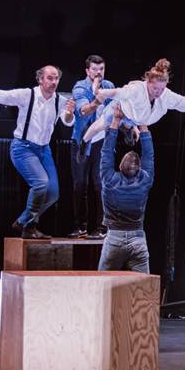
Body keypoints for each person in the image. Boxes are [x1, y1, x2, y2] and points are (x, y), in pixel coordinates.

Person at [0, 66, 75, 239]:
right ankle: (28, 224)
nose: (54, 82)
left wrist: (69, 113)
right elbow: (2, 96)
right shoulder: (28, 95)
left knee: (53, 193)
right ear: (40, 79)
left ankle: (24, 222)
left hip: (44, 150)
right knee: (41, 183)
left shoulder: (60, 100)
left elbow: (68, 121)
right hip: (23, 148)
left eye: (56, 78)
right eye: (50, 78)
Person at [81, 58, 185, 146]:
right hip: (121, 109)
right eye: (155, 88)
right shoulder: (136, 89)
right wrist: (99, 92)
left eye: (162, 88)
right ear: (148, 82)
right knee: (100, 126)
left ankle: (128, 128)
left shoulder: (166, 96)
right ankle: (83, 143)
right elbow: (115, 93)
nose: (158, 92)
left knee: (132, 133)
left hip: (136, 119)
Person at [97, 105, 154, 272]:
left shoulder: (110, 180)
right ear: (139, 169)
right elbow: (149, 154)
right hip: (138, 240)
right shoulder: (145, 180)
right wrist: (143, 122)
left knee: (103, 284)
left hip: (114, 240)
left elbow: (106, 151)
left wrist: (116, 119)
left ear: (121, 166)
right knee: (144, 287)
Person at [68, 54, 117, 239]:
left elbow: (117, 109)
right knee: (80, 184)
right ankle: (80, 226)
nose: (98, 73)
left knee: (100, 184)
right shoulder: (80, 87)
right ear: (87, 71)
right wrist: (97, 97)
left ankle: (102, 227)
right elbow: (83, 110)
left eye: (101, 69)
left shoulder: (109, 86)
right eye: (95, 69)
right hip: (82, 140)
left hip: (102, 140)